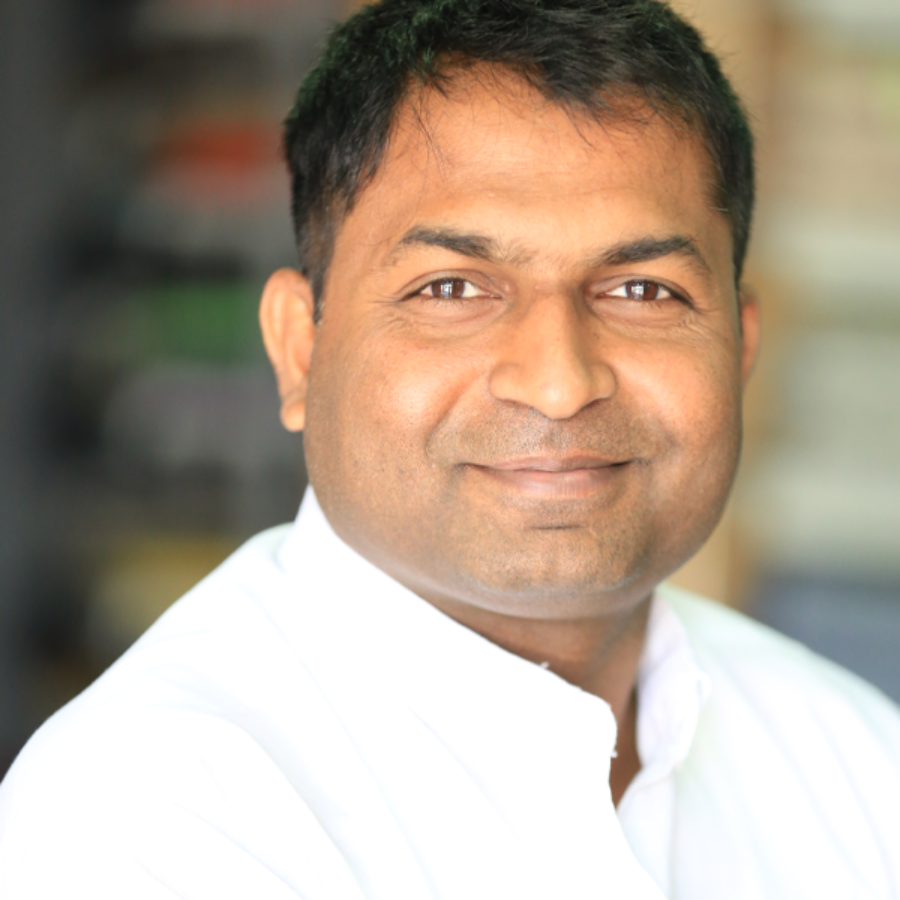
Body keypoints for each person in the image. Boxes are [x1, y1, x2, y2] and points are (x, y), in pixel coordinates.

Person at [2, 0, 899, 896]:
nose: (559, 381)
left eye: (641, 290)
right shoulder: (148, 820)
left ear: (741, 349)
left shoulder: (854, 762)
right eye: (452, 288)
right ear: (299, 350)